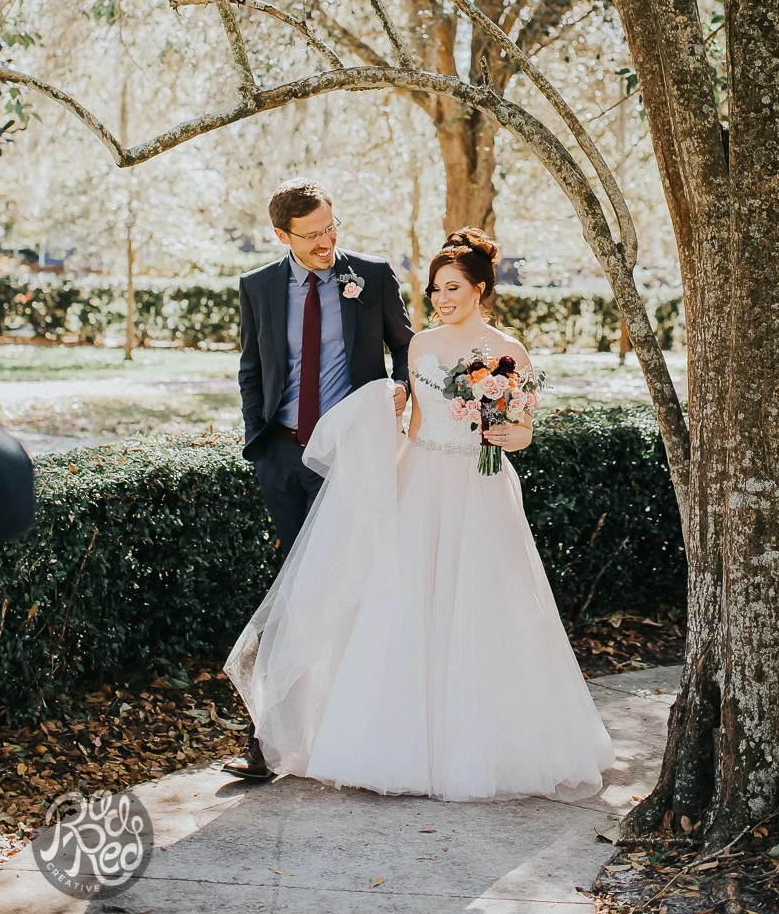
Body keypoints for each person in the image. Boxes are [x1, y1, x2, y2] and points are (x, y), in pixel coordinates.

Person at [224, 227, 614, 801]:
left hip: (480, 487)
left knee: (481, 606)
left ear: (479, 289)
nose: (442, 298)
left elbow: (524, 429)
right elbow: (415, 427)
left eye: (453, 287)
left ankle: (479, 743)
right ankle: (397, 741)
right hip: (422, 478)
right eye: (435, 289)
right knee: (404, 604)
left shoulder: (510, 351)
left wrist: (511, 435)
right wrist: (385, 481)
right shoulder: (420, 347)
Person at [223, 178, 413, 779]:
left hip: (352, 461)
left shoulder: (371, 277)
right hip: (282, 459)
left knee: (340, 592)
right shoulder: (258, 287)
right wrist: (259, 444)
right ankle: (279, 738)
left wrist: (402, 389)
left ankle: (313, 738)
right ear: (282, 236)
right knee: (295, 594)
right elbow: (252, 367)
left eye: (331, 228)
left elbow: (407, 349)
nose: (326, 242)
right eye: (311, 236)